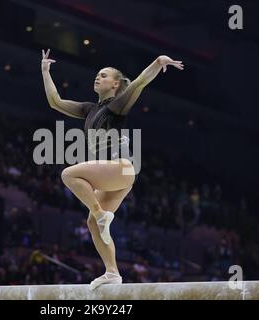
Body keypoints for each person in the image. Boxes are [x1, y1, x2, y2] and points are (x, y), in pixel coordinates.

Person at [41, 48, 183, 289]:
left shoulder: (116, 105)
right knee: (92, 224)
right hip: (117, 175)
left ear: (116, 84)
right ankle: (112, 272)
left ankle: (101, 214)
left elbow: (138, 84)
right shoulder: (89, 109)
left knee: (68, 174)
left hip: (122, 167)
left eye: (104, 75)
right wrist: (45, 71)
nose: (98, 77)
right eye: (97, 74)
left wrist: (158, 62)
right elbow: (55, 102)